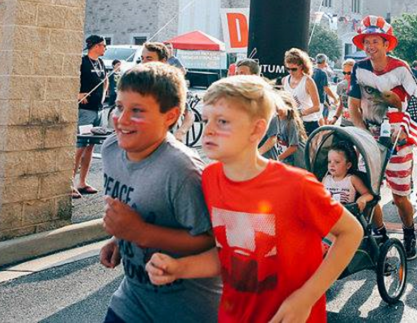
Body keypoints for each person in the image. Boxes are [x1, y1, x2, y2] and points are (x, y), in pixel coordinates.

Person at [145, 75, 363, 323]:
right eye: (206, 120)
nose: (209, 130)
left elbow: (351, 233)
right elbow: (231, 255)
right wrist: (180, 268)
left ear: (257, 129)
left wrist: (305, 298)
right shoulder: (209, 178)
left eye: (223, 121)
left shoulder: (296, 185)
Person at [98, 63, 221, 322]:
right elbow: (140, 211)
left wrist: (140, 233)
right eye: (120, 107)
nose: (122, 119)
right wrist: (120, 240)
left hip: (188, 309)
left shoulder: (182, 170)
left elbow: (211, 240)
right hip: (131, 301)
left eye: (138, 111)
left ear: (171, 116)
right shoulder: (111, 149)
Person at [347, 15, 417, 259]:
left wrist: (403, 123)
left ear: (386, 44)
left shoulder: (400, 67)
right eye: (366, 41)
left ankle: (409, 233)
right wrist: (363, 132)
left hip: (398, 139)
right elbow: (353, 104)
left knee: (400, 196)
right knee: (368, 192)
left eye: (375, 41)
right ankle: (380, 233)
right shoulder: (359, 68)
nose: (370, 46)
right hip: (369, 136)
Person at [75, 35, 107, 198]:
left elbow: (105, 80)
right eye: (103, 45)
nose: (105, 48)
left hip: (98, 109)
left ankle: (82, 182)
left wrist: (103, 96)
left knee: (90, 146)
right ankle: (69, 183)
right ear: (95, 46)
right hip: (85, 110)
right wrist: (77, 94)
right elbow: (70, 80)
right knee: (80, 144)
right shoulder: (82, 62)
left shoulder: (101, 63)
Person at [283, 48, 323, 136]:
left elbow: (317, 107)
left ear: (301, 66)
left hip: (308, 123)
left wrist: (299, 113)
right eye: (288, 69)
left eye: (294, 69)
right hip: (292, 123)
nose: (290, 72)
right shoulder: (285, 80)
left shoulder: (308, 81)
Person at [322, 146, 374, 212]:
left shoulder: (352, 179)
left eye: (337, 162)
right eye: (329, 161)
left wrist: (362, 199)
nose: (331, 165)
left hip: (346, 214)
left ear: (348, 165)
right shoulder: (325, 179)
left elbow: (368, 194)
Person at [328, 59, 355, 126]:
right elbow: (341, 104)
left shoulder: (362, 85)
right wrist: (335, 118)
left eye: (349, 73)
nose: (346, 75)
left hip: (358, 125)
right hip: (344, 123)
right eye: (344, 73)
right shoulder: (341, 85)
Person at [313, 54, 338, 123]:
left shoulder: (312, 70)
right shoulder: (322, 73)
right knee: (321, 121)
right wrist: (334, 98)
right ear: (324, 61)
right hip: (320, 100)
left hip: (312, 99)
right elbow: (326, 88)